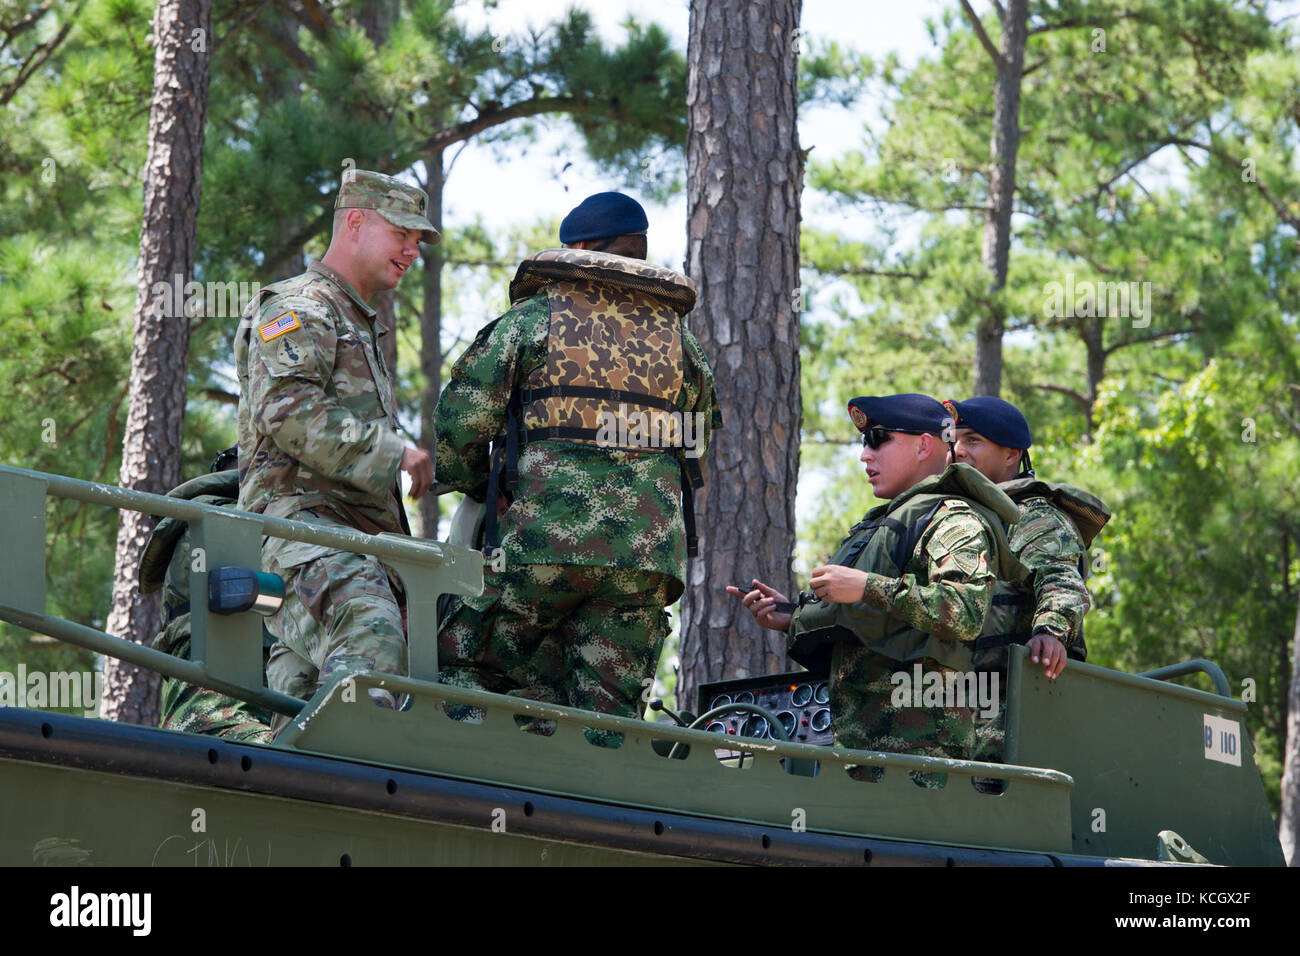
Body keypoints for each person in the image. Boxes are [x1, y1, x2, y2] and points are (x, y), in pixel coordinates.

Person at [434, 191, 721, 744]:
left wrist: (486, 491)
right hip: (645, 563)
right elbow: (696, 450)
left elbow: (458, 429)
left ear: (580, 248)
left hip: (540, 545)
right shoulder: (684, 347)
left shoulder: (532, 321)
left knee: (467, 672)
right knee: (606, 723)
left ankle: (470, 801)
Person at [728, 394, 1023, 786]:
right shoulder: (891, 522)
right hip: (859, 751)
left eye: (879, 440)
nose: (866, 456)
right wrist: (791, 616)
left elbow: (964, 610)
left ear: (923, 445)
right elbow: (871, 622)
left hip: (917, 757)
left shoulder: (954, 520)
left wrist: (866, 586)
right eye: (864, 444)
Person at [234, 168, 436, 731]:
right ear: (355, 222)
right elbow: (289, 412)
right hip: (304, 533)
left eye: (418, 241)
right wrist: (392, 453)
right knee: (367, 633)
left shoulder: (355, 319)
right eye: (403, 234)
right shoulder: (299, 306)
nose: (412, 250)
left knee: (298, 698)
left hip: (344, 542)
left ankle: (295, 810)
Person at [943, 395, 1110, 764]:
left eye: (973, 440)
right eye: (954, 440)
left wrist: (1050, 633)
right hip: (957, 700)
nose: (959, 451)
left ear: (1011, 454)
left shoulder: (1030, 516)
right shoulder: (960, 518)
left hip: (1013, 702)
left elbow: (1061, 581)